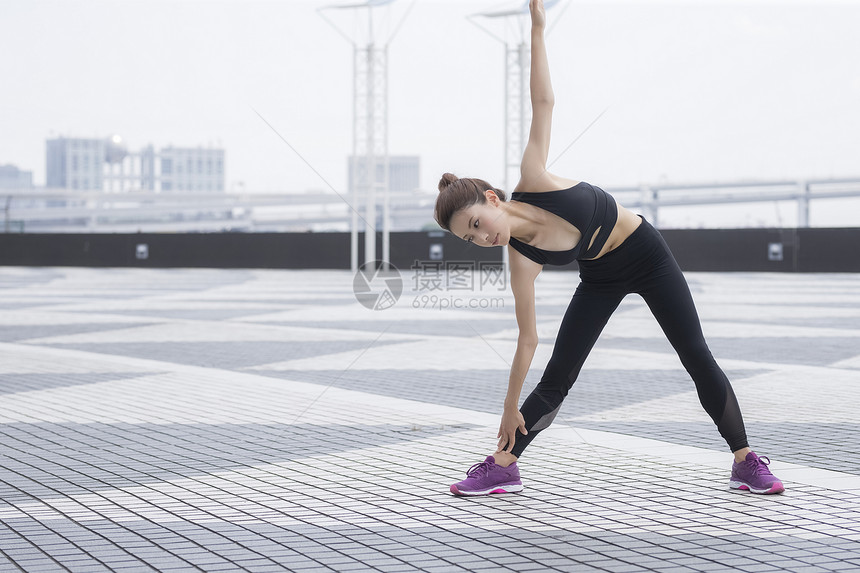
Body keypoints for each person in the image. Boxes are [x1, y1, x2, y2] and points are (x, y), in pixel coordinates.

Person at [433, 0, 784, 496]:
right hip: (601, 276)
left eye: (476, 223)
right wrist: (509, 405)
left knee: (695, 355)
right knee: (557, 376)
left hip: (647, 253)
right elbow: (527, 340)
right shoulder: (519, 259)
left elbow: (543, 104)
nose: (482, 237)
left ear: (492, 199)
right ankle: (503, 463)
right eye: (469, 238)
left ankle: (746, 460)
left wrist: (535, 26)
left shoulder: (533, 179)